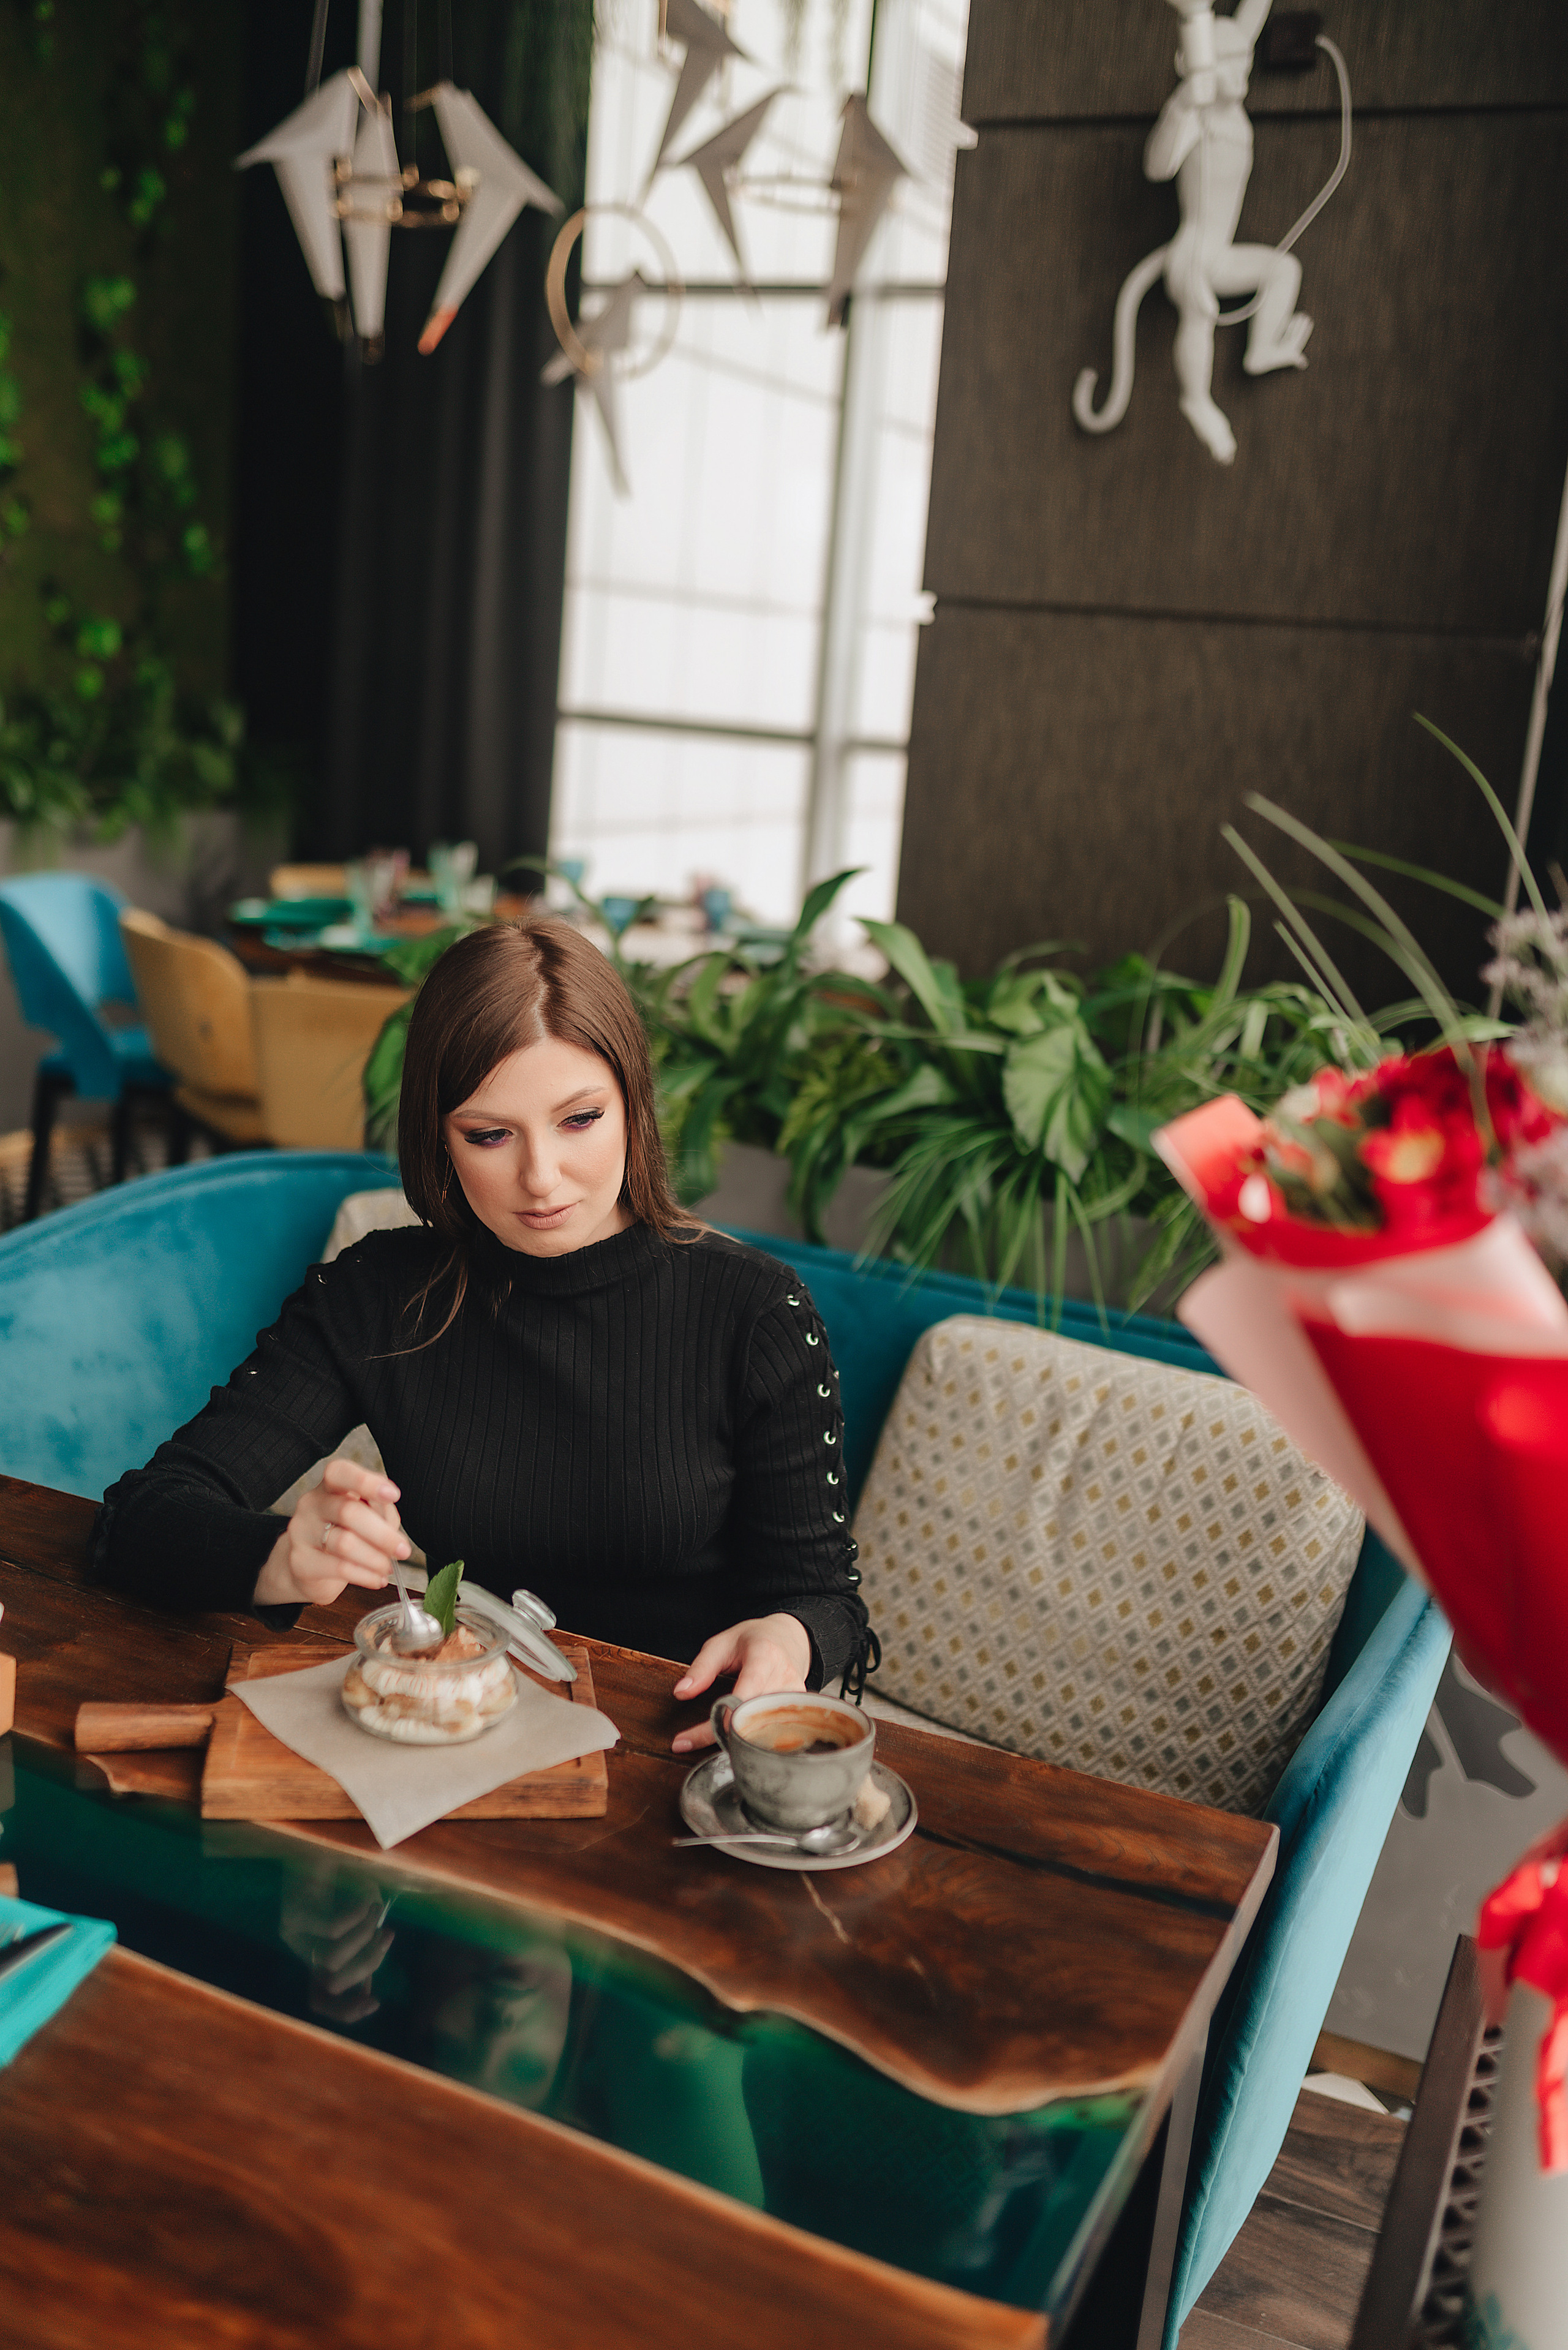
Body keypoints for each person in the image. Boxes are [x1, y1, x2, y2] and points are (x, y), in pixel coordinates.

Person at [94, 917, 874, 1752]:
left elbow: (826, 1598)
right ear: (439, 1135)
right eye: (490, 1135)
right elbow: (137, 1518)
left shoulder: (757, 1311)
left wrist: (790, 1636)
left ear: (633, 1104)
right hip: (463, 1729)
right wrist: (276, 1559)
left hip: (682, 1745)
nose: (541, 1177)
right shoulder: (377, 1293)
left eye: (580, 1119)